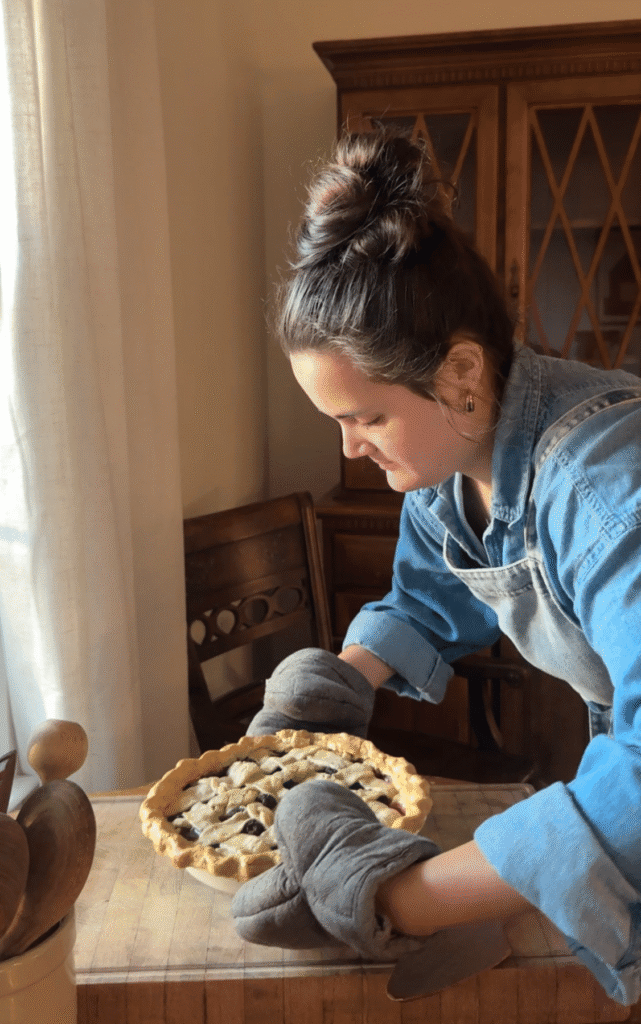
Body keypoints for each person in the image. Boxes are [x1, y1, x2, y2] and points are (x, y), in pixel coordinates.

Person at [231, 127, 641, 1005]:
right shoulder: (456, 460)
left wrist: (397, 899)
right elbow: (426, 600)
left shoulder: (607, 490)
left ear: (459, 372)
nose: (350, 448)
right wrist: (339, 684)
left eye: (368, 418)